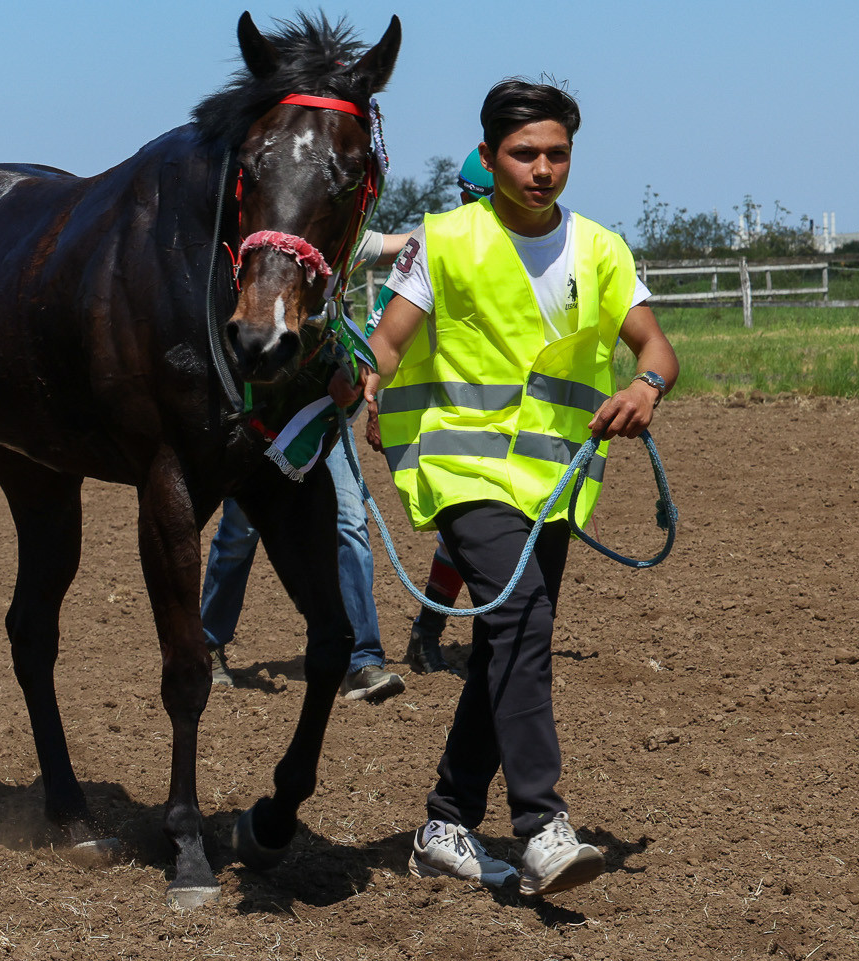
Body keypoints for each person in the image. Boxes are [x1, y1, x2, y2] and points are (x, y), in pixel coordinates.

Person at [362, 80, 679, 898]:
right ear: (489, 155)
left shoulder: (600, 249)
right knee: (522, 619)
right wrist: (364, 381)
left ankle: (445, 822)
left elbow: (656, 348)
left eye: (557, 154)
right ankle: (542, 825)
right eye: (523, 153)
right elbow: (387, 343)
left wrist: (644, 386)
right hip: (461, 468)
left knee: (510, 639)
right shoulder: (441, 240)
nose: (542, 169)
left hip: (553, 481)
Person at [204, 227, 411, 705]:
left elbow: (408, 243)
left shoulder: (340, 240)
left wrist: (475, 216)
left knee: (349, 523)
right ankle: (207, 644)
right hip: (266, 410)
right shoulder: (252, 245)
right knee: (240, 531)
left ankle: (362, 661)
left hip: (320, 414)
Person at [403, 148, 492, 675]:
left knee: (468, 534)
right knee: (468, 529)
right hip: (450, 411)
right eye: (464, 197)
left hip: (506, 414)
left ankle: (431, 632)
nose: (466, 207)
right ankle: (431, 631)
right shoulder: (441, 245)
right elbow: (387, 327)